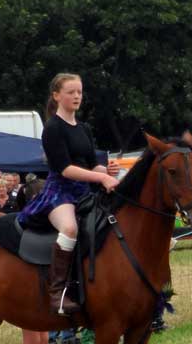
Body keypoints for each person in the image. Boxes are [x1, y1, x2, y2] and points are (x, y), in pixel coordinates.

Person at [18, 73, 119, 316]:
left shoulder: (83, 128)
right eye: (71, 92)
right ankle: (57, 292)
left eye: (79, 92)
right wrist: (102, 177)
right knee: (70, 229)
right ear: (56, 96)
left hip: (85, 189)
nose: (76, 96)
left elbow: (91, 165)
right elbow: (66, 169)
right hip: (59, 191)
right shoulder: (52, 128)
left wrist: (106, 170)